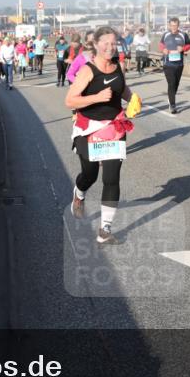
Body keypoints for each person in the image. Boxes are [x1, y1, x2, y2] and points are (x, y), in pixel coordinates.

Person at [64, 26, 138, 245]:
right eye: (105, 43)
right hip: (88, 128)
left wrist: (133, 99)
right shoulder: (88, 70)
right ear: (95, 44)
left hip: (114, 127)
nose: (110, 47)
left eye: (113, 43)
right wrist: (96, 97)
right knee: (90, 174)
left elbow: (122, 90)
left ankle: (105, 229)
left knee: (112, 177)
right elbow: (70, 101)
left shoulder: (117, 68)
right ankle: (79, 193)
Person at [159, 17, 190, 113]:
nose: (174, 27)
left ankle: (171, 97)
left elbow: (189, 45)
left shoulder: (183, 35)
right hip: (168, 63)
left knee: (176, 84)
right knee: (171, 83)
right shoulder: (165, 34)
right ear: (169, 25)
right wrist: (163, 50)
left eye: (176, 25)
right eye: (172, 25)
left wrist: (183, 48)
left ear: (178, 25)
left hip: (179, 63)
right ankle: (172, 105)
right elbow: (161, 45)